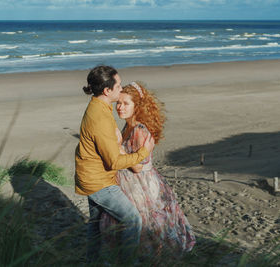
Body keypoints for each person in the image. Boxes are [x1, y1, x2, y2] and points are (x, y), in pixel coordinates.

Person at [100, 82, 196, 260]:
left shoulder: (139, 130)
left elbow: (137, 167)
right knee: (134, 226)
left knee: (147, 227)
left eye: (125, 103)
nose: (120, 107)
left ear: (137, 106)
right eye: (118, 103)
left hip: (142, 184)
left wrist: (117, 146)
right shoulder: (128, 126)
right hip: (130, 182)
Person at [74, 66, 155, 263]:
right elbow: (114, 161)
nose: (121, 89)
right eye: (118, 86)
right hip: (99, 182)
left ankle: (92, 261)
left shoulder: (99, 106)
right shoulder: (100, 117)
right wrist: (143, 152)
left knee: (95, 224)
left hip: (90, 176)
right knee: (132, 219)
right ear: (107, 90)